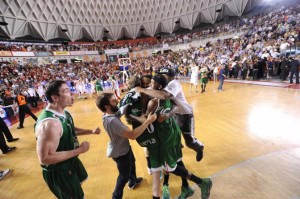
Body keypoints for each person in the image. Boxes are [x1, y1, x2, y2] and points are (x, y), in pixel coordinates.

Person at [147, 74, 212, 199]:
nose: (149, 85)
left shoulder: (171, 87)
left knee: (183, 150)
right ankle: (185, 187)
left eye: (151, 82)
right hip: (171, 128)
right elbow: (173, 105)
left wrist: (164, 116)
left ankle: (201, 181)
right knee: (175, 160)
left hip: (177, 124)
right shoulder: (159, 94)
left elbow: (172, 102)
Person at [35, 80, 101, 199]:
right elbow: (45, 158)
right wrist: (79, 150)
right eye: (66, 91)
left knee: (79, 194)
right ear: (55, 98)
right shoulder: (50, 124)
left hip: (68, 163)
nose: (72, 94)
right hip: (59, 172)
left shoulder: (63, 113)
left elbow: (68, 130)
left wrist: (90, 131)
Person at [96, 93, 157, 199]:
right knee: (123, 176)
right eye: (113, 101)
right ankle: (116, 196)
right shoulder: (113, 121)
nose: (116, 101)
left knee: (132, 162)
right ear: (106, 106)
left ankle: (133, 180)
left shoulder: (108, 115)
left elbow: (120, 111)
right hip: (119, 152)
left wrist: (128, 99)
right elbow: (132, 135)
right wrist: (147, 121)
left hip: (123, 148)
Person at [136, 68, 204, 162]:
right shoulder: (164, 84)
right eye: (161, 75)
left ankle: (200, 147)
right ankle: (178, 148)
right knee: (174, 135)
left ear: (171, 77)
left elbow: (165, 95)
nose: (162, 77)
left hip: (185, 114)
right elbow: (150, 89)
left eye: (165, 75)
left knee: (189, 142)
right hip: (175, 114)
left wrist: (142, 90)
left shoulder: (174, 84)